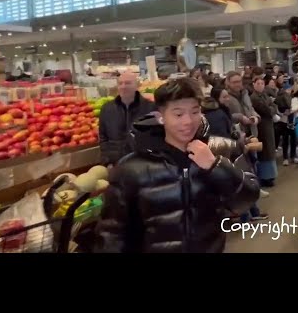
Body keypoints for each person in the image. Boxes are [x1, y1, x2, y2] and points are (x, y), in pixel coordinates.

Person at [95, 77, 261, 253]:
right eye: (178, 114)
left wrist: (215, 166)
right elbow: (112, 232)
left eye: (195, 112)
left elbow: (248, 199)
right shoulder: (131, 166)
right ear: (161, 117)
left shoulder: (222, 149)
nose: (188, 122)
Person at [99, 71, 156, 165]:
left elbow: (155, 137)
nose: (123, 86)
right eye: (120, 83)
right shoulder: (107, 109)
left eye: (128, 83)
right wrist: (107, 161)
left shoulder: (150, 108)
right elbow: (103, 138)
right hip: (115, 164)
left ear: (137, 85)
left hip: (143, 164)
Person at [249, 77, 278, 187]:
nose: (260, 85)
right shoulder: (254, 98)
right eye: (258, 83)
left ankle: (271, 175)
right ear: (254, 84)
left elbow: (274, 106)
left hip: (269, 125)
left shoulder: (264, 95)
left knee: (270, 150)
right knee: (264, 151)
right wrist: (271, 108)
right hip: (262, 127)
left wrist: (272, 108)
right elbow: (267, 110)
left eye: (262, 83)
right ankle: (265, 177)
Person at [225, 71, 259, 138]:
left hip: (251, 132)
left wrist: (256, 117)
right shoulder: (225, 97)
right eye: (234, 82)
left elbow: (250, 108)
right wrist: (240, 117)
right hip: (236, 135)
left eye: (239, 81)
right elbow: (224, 116)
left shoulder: (245, 93)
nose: (238, 84)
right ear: (228, 83)